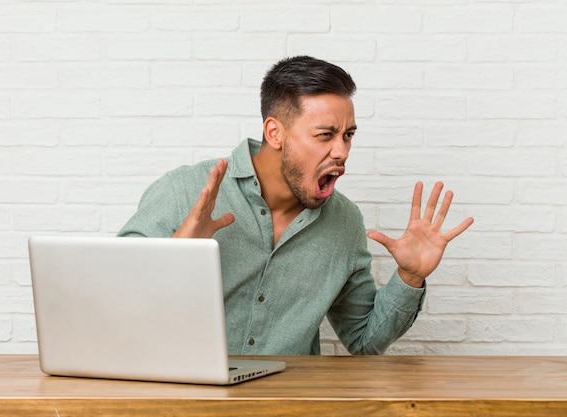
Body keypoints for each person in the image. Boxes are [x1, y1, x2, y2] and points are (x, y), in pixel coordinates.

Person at [118, 56, 474, 355]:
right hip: (178, 399)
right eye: (325, 135)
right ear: (275, 133)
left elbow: (364, 340)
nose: (342, 151)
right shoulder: (185, 191)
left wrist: (410, 278)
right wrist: (175, 254)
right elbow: (111, 302)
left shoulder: (344, 223)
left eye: (348, 135)